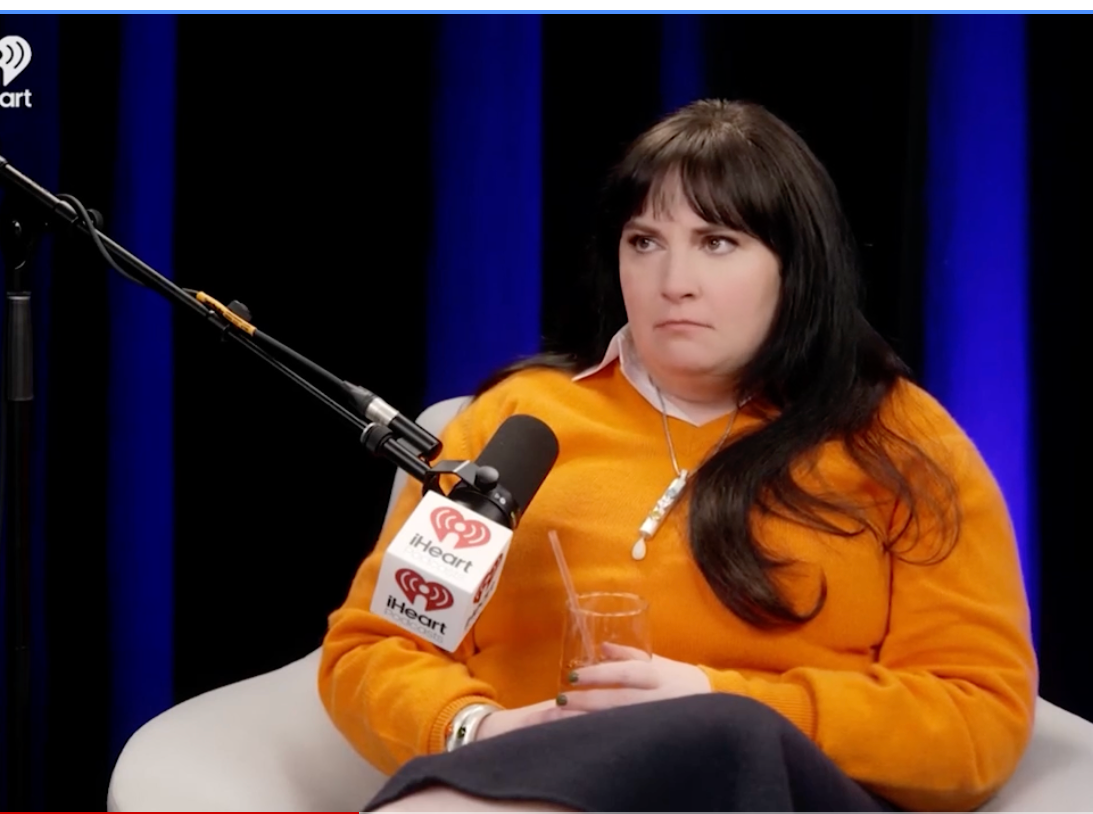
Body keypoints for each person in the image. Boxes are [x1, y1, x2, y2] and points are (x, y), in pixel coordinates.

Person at [318, 99, 1037, 812]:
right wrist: (486, 731)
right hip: (515, 778)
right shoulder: (519, 422)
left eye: (717, 242)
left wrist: (714, 702)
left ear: (796, 265)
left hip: (774, 790)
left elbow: (978, 723)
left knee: (722, 732)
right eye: (645, 242)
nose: (674, 283)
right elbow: (377, 649)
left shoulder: (900, 442)